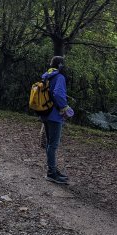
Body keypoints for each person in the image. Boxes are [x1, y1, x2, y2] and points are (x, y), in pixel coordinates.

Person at [40, 55, 73, 185]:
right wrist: (65, 108)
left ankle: (53, 169)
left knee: (50, 143)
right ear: (60, 65)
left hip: (45, 113)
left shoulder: (46, 76)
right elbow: (58, 94)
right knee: (53, 145)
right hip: (55, 115)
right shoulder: (59, 77)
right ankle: (52, 173)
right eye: (63, 64)